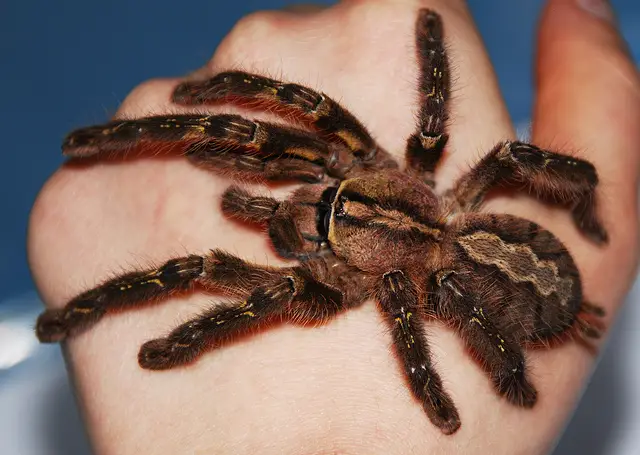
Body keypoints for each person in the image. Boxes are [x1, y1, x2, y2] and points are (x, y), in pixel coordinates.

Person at [28, 0, 639, 453]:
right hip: (491, 241)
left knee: (203, 274)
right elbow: (309, 103)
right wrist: (212, 99)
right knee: (311, 118)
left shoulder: (402, 283)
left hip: (528, 292)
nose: (313, 200)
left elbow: (396, 315)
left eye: (321, 210)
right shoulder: (392, 168)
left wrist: (446, 384)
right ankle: (127, 144)